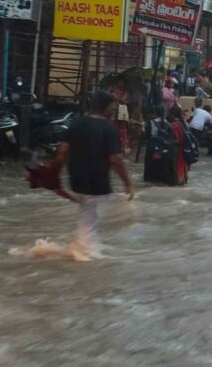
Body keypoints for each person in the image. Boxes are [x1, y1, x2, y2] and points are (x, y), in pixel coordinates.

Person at [54, 90, 133, 260]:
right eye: (112, 107)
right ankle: (82, 255)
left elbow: (62, 153)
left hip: (76, 180)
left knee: (86, 215)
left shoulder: (75, 123)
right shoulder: (109, 129)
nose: (113, 111)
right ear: (105, 108)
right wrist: (127, 183)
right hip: (97, 182)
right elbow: (116, 160)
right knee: (90, 219)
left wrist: (56, 176)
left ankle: (79, 247)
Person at [143, 105, 177, 185]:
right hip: (165, 151)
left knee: (151, 177)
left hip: (152, 150)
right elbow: (172, 139)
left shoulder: (151, 123)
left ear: (155, 112)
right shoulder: (169, 125)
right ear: (165, 113)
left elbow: (146, 137)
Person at [167, 105, 189, 185]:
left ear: (172, 114)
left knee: (177, 170)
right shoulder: (183, 123)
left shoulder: (174, 125)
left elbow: (175, 140)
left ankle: (178, 182)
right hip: (183, 150)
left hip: (176, 151)